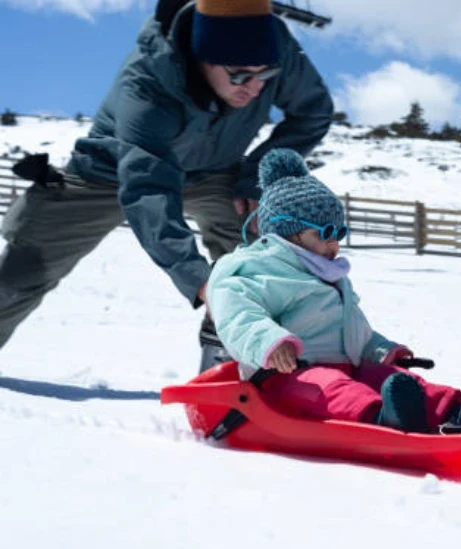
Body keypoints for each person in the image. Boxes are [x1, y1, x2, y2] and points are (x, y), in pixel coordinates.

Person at [0, 0, 334, 368]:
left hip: (214, 170)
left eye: (266, 75)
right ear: (202, 57)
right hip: (112, 172)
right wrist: (200, 282)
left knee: (257, 246)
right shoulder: (147, 83)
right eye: (239, 75)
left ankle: (245, 363)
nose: (255, 89)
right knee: (25, 270)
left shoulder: (275, 47)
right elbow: (148, 191)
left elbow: (313, 111)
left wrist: (256, 175)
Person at [206, 148, 461, 433]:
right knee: (332, 387)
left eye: (340, 233)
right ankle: (382, 418)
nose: (334, 243)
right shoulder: (262, 269)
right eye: (325, 233)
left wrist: (383, 351)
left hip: (346, 369)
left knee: (394, 380)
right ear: (291, 233)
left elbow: (354, 332)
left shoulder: (331, 278)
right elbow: (236, 313)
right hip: (285, 377)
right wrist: (270, 343)